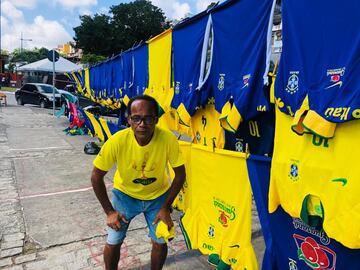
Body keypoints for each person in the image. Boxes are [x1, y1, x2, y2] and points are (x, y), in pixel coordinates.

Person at [91, 95, 186, 270]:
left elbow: (180, 174)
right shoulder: (117, 141)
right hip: (125, 196)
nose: (142, 124)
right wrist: (109, 211)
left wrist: (166, 207)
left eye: (148, 118)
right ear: (129, 120)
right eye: (136, 118)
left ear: (156, 120)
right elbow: (96, 176)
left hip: (158, 197)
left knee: (160, 241)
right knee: (113, 241)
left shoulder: (168, 139)